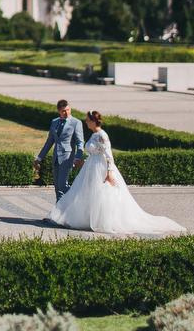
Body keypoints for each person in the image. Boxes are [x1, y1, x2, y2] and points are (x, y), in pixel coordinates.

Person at [46, 110, 185, 235]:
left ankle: (101, 220)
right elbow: (95, 152)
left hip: (100, 169)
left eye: (88, 120)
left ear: (94, 121)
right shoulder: (94, 134)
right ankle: (87, 218)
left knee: (102, 194)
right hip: (91, 167)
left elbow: (109, 156)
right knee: (86, 192)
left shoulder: (102, 135)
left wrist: (109, 173)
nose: (86, 123)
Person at [34, 99, 84, 201]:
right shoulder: (54, 122)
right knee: (57, 188)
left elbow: (80, 142)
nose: (67, 112)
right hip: (56, 157)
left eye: (68, 110)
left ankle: (80, 200)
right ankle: (58, 213)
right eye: (63, 111)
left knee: (62, 185)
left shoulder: (76, 123)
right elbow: (49, 143)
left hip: (68, 158)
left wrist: (78, 157)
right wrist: (39, 158)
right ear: (59, 111)